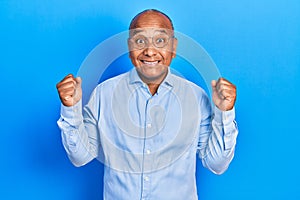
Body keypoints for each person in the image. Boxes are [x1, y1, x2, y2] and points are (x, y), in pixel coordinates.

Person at [56, 9, 238, 200]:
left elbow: (217, 164)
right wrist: (71, 108)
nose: (150, 51)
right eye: (140, 41)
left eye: (160, 41)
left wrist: (224, 112)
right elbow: (80, 157)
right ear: (129, 47)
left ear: (173, 48)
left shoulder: (196, 97)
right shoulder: (104, 93)